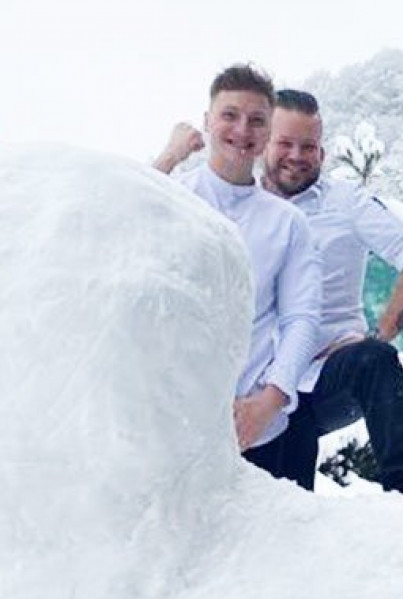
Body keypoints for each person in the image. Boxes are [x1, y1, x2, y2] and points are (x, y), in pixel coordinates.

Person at [260, 88, 403, 496]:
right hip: (263, 388)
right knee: (279, 507)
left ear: (322, 153)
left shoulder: (345, 202)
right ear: (263, 143)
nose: (297, 155)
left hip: (329, 373)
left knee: (376, 360)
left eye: (308, 146)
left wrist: (377, 335)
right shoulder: (241, 204)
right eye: (286, 143)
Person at [153, 64, 322, 487]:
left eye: (257, 120)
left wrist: (268, 402)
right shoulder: (170, 198)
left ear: (267, 133)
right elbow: (119, 228)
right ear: (208, 120)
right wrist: (170, 155)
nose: (242, 129)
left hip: (255, 431)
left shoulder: (288, 224)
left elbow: (301, 318)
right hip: (170, 423)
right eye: (230, 115)